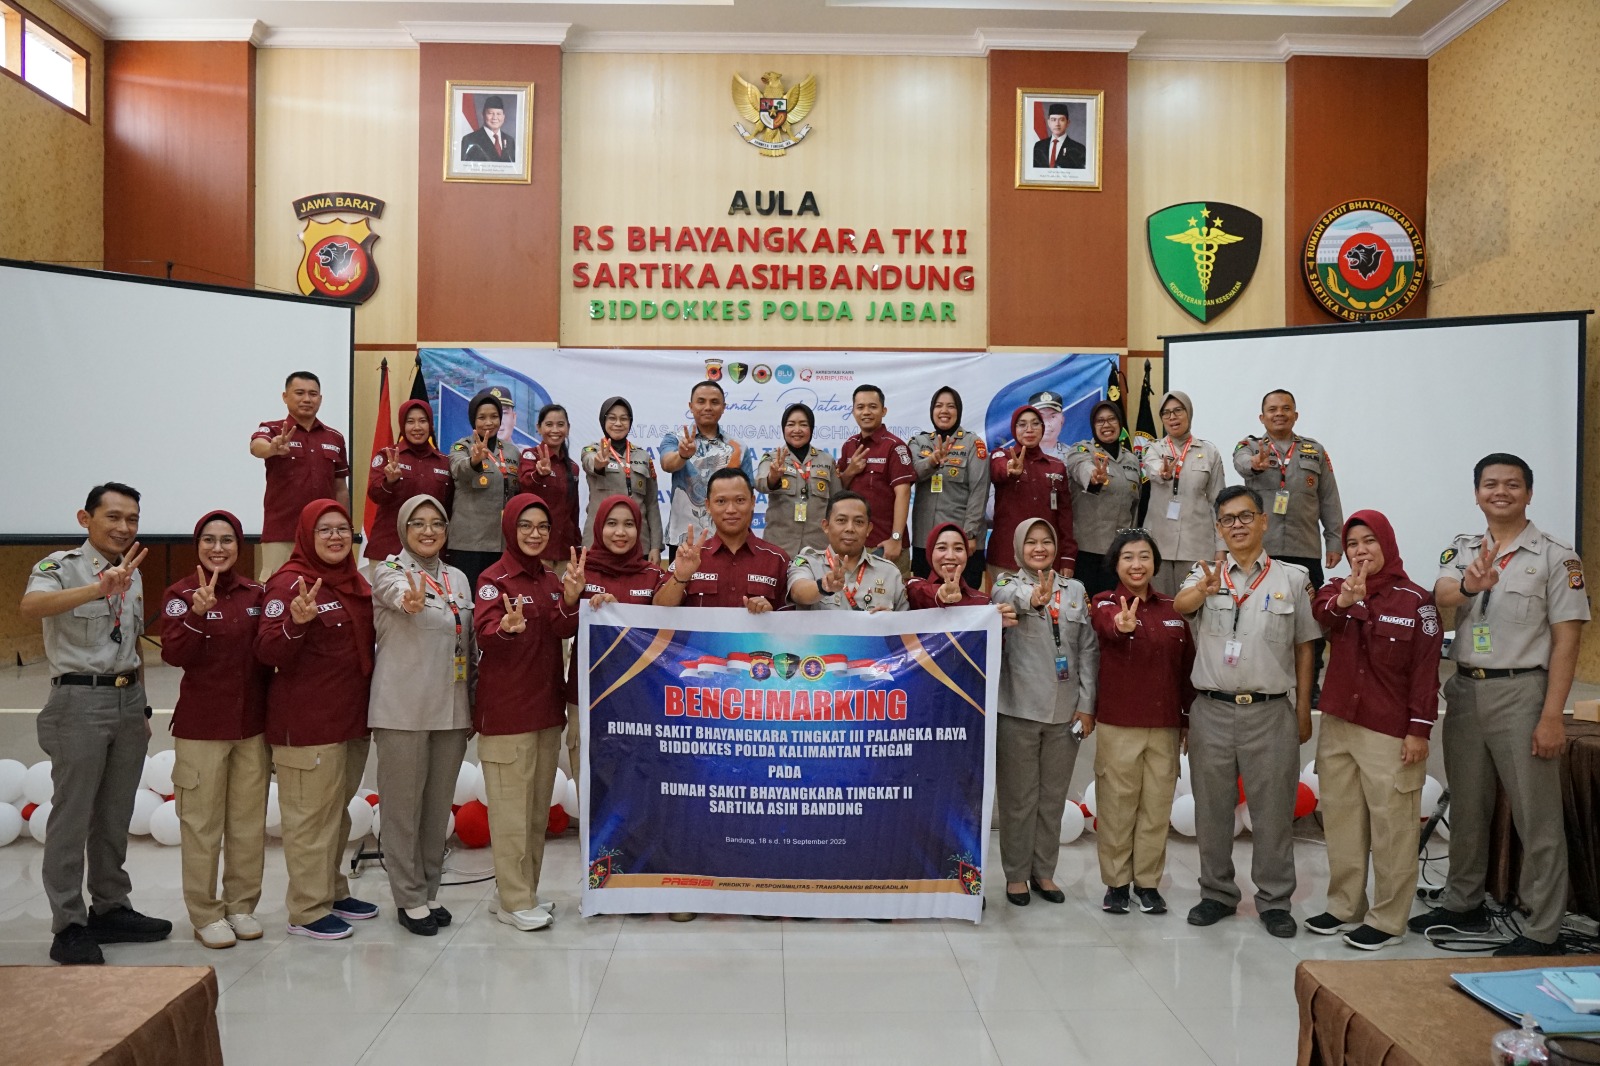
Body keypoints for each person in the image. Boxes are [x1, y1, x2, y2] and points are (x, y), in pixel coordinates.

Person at [1410, 454, 1589, 956]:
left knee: (1537, 816)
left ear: (1529, 493)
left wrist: (1552, 715)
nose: (1501, 492)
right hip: (1466, 689)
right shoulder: (1464, 548)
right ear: (1477, 494)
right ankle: (1463, 902)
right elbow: (1442, 594)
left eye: (1512, 484)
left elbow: (1568, 640)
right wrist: (1471, 584)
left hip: (1523, 692)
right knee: (1468, 807)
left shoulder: (1556, 556)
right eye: (1490, 484)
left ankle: (1543, 928)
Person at [20, 483, 170, 965]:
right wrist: (97, 588)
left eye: (132, 519)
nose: (124, 527)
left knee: (114, 813)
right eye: (113, 517)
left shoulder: (134, 571)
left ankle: (110, 907)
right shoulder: (60, 567)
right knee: (73, 815)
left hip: (127, 701)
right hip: (78, 701)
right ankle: (68, 924)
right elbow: (31, 607)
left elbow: (132, 641)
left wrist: (142, 709)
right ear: (85, 519)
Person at [1174, 486, 1319, 938]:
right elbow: (1180, 606)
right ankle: (1216, 893)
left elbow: (1306, 645)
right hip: (1211, 710)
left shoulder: (1292, 579)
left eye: (1245, 516)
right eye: (1227, 519)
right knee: (1212, 810)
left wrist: (1303, 709)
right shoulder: (1203, 573)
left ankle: (1274, 900)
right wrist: (1203, 590)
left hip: (1270, 711)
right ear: (1218, 527)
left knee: (1273, 813)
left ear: (1263, 521)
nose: (1236, 525)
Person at [1306, 510, 1441, 950]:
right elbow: (1322, 613)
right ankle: (1345, 906)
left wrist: (1419, 730)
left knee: (1392, 828)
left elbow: (1425, 672)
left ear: (1387, 543)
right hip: (1338, 725)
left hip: (1389, 731)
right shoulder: (1337, 590)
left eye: (1369, 541)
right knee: (1341, 820)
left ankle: (1387, 919)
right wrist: (1346, 600)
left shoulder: (1417, 601)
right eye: (1352, 544)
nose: (1360, 550)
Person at [255, 500, 379, 941]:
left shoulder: (353, 582)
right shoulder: (289, 584)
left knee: (335, 816)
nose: (335, 537)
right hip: (308, 725)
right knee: (310, 821)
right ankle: (307, 910)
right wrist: (295, 623)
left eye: (342, 529)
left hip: (350, 721)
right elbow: (267, 650)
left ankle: (332, 890)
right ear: (306, 535)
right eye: (324, 529)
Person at [159, 510, 273, 950]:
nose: (218, 548)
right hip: (201, 730)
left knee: (247, 824)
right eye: (209, 539)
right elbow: (173, 655)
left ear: (239, 547)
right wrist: (196, 615)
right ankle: (205, 913)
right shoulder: (180, 595)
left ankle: (241, 906)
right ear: (198, 545)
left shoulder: (256, 594)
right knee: (202, 826)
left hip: (251, 729)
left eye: (227, 540)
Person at [473, 494, 585, 932]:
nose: (535, 534)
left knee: (535, 813)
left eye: (542, 526)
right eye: (525, 526)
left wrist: (571, 599)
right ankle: (513, 900)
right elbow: (485, 634)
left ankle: (522, 893)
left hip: (545, 712)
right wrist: (504, 627)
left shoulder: (551, 579)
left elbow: (562, 627)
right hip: (507, 717)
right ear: (510, 529)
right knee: (510, 815)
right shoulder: (493, 580)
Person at [368, 495, 475, 937]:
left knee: (435, 811)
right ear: (403, 529)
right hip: (403, 710)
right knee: (402, 811)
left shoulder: (458, 578)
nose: (428, 531)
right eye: (418, 523)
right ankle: (408, 896)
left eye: (436, 523)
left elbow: (468, 644)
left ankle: (429, 889)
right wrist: (410, 602)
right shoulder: (389, 571)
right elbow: (399, 597)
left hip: (451, 710)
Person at [989, 518, 1097, 907]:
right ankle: (1016, 875)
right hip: (1017, 709)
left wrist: (1086, 705)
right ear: (1019, 547)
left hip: (1065, 712)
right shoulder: (1005, 584)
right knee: (1018, 800)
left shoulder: (1075, 589)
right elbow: (1011, 599)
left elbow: (1087, 649)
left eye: (1046, 541)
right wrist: (1034, 598)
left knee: (1052, 799)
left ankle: (1044, 872)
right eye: (1031, 542)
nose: (1039, 548)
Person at [1090, 528, 1195, 916]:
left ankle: (1148, 884)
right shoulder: (1104, 602)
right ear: (1116, 564)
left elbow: (1186, 670)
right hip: (1119, 724)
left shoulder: (1173, 608)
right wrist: (1122, 624)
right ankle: (1117, 884)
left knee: (1156, 808)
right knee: (1117, 808)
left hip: (1165, 726)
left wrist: (1186, 720)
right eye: (1128, 557)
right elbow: (1108, 626)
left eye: (1145, 556)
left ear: (1155, 563)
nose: (1137, 564)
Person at [1233, 389, 1344, 696]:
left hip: (1304, 549)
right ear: (1262, 417)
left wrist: (1335, 540)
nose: (1279, 413)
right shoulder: (1250, 446)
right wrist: (1255, 463)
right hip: (1262, 552)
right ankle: (1260, 680)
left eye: (1285, 408)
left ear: (1295, 414)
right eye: (1272, 409)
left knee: (1311, 620)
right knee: (1259, 620)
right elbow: (1241, 463)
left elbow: (1329, 498)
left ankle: (1311, 686)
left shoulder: (1314, 451)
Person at [250, 371, 351, 580]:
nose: (307, 399)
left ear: (320, 399)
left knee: (324, 589)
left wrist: (344, 527)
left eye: (313, 394)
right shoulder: (273, 429)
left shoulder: (335, 437)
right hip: (282, 532)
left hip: (324, 534)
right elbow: (256, 446)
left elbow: (340, 487)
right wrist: (272, 449)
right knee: (279, 588)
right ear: (285, 396)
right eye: (299, 393)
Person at [655, 469, 789, 613]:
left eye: (740, 500)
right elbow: (658, 608)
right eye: (721, 501)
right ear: (708, 506)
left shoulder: (777, 560)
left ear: (752, 502)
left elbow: (791, 619)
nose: (731, 510)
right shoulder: (692, 557)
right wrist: (680, 577)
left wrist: (770, 616)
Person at [659, 380, 757, 556]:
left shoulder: (738, 447)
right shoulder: (676, 439)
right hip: (684, 541)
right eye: (701, 401)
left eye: (714, 402)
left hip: (727, 541)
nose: (708, 407)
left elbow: (748, 497)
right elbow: (667, 464)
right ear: (691, 406)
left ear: (723, 407)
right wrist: (682, 455)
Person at [1143, 390, 1226, 596]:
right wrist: (1163, 473)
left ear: (1189, 413)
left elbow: (1219, 503)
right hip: (1159, 544)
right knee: (1160, 606)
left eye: (1178, 411)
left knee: (1195, 605)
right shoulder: (1154, 449)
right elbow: (1153, 468)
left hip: (1197, 545)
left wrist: (1221, 547)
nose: (1172, 417)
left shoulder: (1209, 452)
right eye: (1166, 413)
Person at [906, 386, 989, 587]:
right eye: (939, 406)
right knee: (925, 598)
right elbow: (912, 473)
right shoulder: (918, 442)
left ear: (958, 411)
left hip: (961, 542)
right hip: (925, 541)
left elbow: (979, 491)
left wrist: (969, 534)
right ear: (932, 410)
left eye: (951, 406)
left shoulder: (973, 443)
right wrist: (932, 461)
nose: (944, 411)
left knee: (963, 598)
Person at [988, 405, 1076, 587]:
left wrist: (1068, 556)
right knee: (1007, 606)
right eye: (1022, 424)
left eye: (1035, 424)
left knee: (1045, 605)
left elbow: (1065, 517)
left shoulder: (1057, 466)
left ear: (1042, 428)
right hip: (1006, 559)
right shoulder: (1001, 455)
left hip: (1045, 560)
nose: (1029, 429)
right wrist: (1010, 470)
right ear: (1014, 429)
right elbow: (998, 470)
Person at [364, 399, 453, 573]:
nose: (417, 427)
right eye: (410, 421)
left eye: (422, 421)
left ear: (430, 424)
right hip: (389, 551)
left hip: (429, 552)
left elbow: (448, 508)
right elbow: (374, 495)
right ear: (402, 425)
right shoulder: (388, 455)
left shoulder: (444, 462)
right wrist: (389, 481)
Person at [1067, 400, 1145, 596]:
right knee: (1086, 608)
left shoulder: (1132, 459)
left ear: (1120, 423)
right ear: (1093, 426)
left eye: (1111, 419)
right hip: (1087, 552)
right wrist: (1094, 476)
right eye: (1100, 421)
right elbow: (1081, 468)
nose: (1106, 425)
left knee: (1117, 607)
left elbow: (1135, 506)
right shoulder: (1081, 450)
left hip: (1121, 552)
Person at [448, 387, 520, 586]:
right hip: (469, 543)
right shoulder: (461, 447)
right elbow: (458, 469)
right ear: (473, 420)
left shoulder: (513, 452)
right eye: (482, 417)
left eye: (494, 417)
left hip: (503, 543)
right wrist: (474, 461)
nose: (489, 422)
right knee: (468, 598)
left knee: (499, 597)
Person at [788, 492, 907, 612]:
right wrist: (824, 586)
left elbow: (907, 621)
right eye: (841, 520)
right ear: (826, 526)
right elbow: (797, 593)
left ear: (868, 529)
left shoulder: (889, 572)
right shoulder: (808, 562)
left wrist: (891, 620)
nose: (850, 528)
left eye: (859, 522)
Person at [838, 384, 915, 567]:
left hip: (885, 547)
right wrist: (850, 471)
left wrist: (896, 538)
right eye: (860, 407)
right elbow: (840, 490)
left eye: (872, 407)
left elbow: (903, 494)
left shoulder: (895, 446)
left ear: (883, 411)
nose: (866, 412)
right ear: (853, 411)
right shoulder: (849, 445)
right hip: (853, 545)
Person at [580, 397, 662, 563]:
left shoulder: (643, 456)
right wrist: (598, 463)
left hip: (638, 541)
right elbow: (590, 463)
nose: (618, 423)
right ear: (603, 421)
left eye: (624, 418)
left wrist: (655, 546)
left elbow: (652, 504)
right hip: (598, 541)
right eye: (612, 418)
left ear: (630, 422)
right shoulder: (592, 450)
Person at [758, 402, 838, 558]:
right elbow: (760, 484)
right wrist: (773, 477)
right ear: (783, 429)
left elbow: (837, 501)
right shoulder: (772, 458)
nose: (797, 430)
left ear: (811, 429)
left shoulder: (826, 460)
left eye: (803, 424)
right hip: (778, 546)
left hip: (817, 547)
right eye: (791, 424)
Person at [906, 523, 1019, 624]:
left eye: (958, 549)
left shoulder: (982, 603)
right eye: (942, 548)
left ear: (967, 554)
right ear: (930, 552)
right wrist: (940, 594)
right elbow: (918, 592)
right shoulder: (912, 588)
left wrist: (997, 625)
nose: (950, 556)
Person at [520, 404, 582, 571]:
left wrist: (577, 547)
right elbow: (525, 486)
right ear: (539, 428)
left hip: (565, 551)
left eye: (560, 424)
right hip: (536, 548)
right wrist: (539, 474)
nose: (555, 430)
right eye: (549, 424)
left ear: (568, 429)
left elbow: (574, 512)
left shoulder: (573, 467)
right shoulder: (530, 456)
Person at [461, 95, 515, 162]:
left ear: (503, 116)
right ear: (483, 115)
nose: (495, 118)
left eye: (498, 114)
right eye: (490, 113)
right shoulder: (470, 140)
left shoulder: (510, 141)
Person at [1033, 102, 1086, 170]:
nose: (1057, 124)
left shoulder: (1079, 149)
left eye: (1061, 120)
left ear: (1068, 123)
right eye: (1053, 120)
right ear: (1048, 122)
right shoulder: (1038, 146)